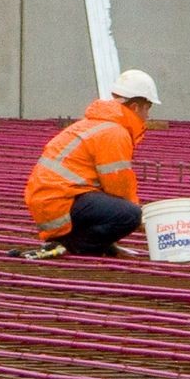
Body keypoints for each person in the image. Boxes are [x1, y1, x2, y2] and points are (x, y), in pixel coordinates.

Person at [19, 69, 159, 259]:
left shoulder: (97, 124)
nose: (148, 116)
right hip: (60, 202)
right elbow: (118, 185)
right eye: (147, 108)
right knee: (129, 214)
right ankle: (78, 247)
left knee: (119, 210)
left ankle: (82, 243)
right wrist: (139, 217)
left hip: (52, 200)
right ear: (135, 107)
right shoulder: (114, 132)